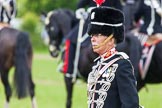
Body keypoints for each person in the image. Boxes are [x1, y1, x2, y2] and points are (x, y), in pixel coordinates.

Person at [87, 6, 139, 108]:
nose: (92, 39)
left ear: (111, 39)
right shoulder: (98, 63)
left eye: (97, 35)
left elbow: (131, 104)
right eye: (92, 35)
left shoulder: (122, 65)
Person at [61, 0, 123, 79]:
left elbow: (80, 5)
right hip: (104, 22)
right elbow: (120, 9)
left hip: (93, 21)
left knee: (70, 39)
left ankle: (69, 70)